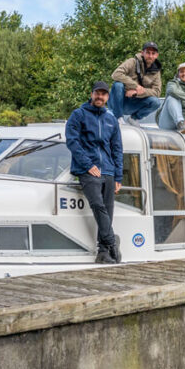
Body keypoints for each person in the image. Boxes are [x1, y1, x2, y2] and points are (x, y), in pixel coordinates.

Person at [65, 81, 123, 263]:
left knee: (108, 210)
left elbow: (117, 148)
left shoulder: (111, 120)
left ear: (107, 97)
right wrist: (88, 165)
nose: (100, 97)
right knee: (98, 205)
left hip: (108, 171)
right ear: (91, 94)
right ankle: (112, 242)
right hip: (87, 170)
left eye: (104, 94)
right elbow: (72, 142)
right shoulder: (78, 115)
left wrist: (118, 175)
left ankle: (103, 252)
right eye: (97, 93)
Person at [109, 41, 162, 124]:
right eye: (147, 53)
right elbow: (115, 74)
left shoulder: (156, 71)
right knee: (118, 85)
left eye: (153, 53)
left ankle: (133, 119)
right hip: (118, 101)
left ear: (156, 55)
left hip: (133, 104)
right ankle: (118, 118)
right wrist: (135, 86)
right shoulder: (132, 62)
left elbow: (157, 92)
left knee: (156, 102)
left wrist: (137, 92)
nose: (150, 56)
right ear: (142, 53)